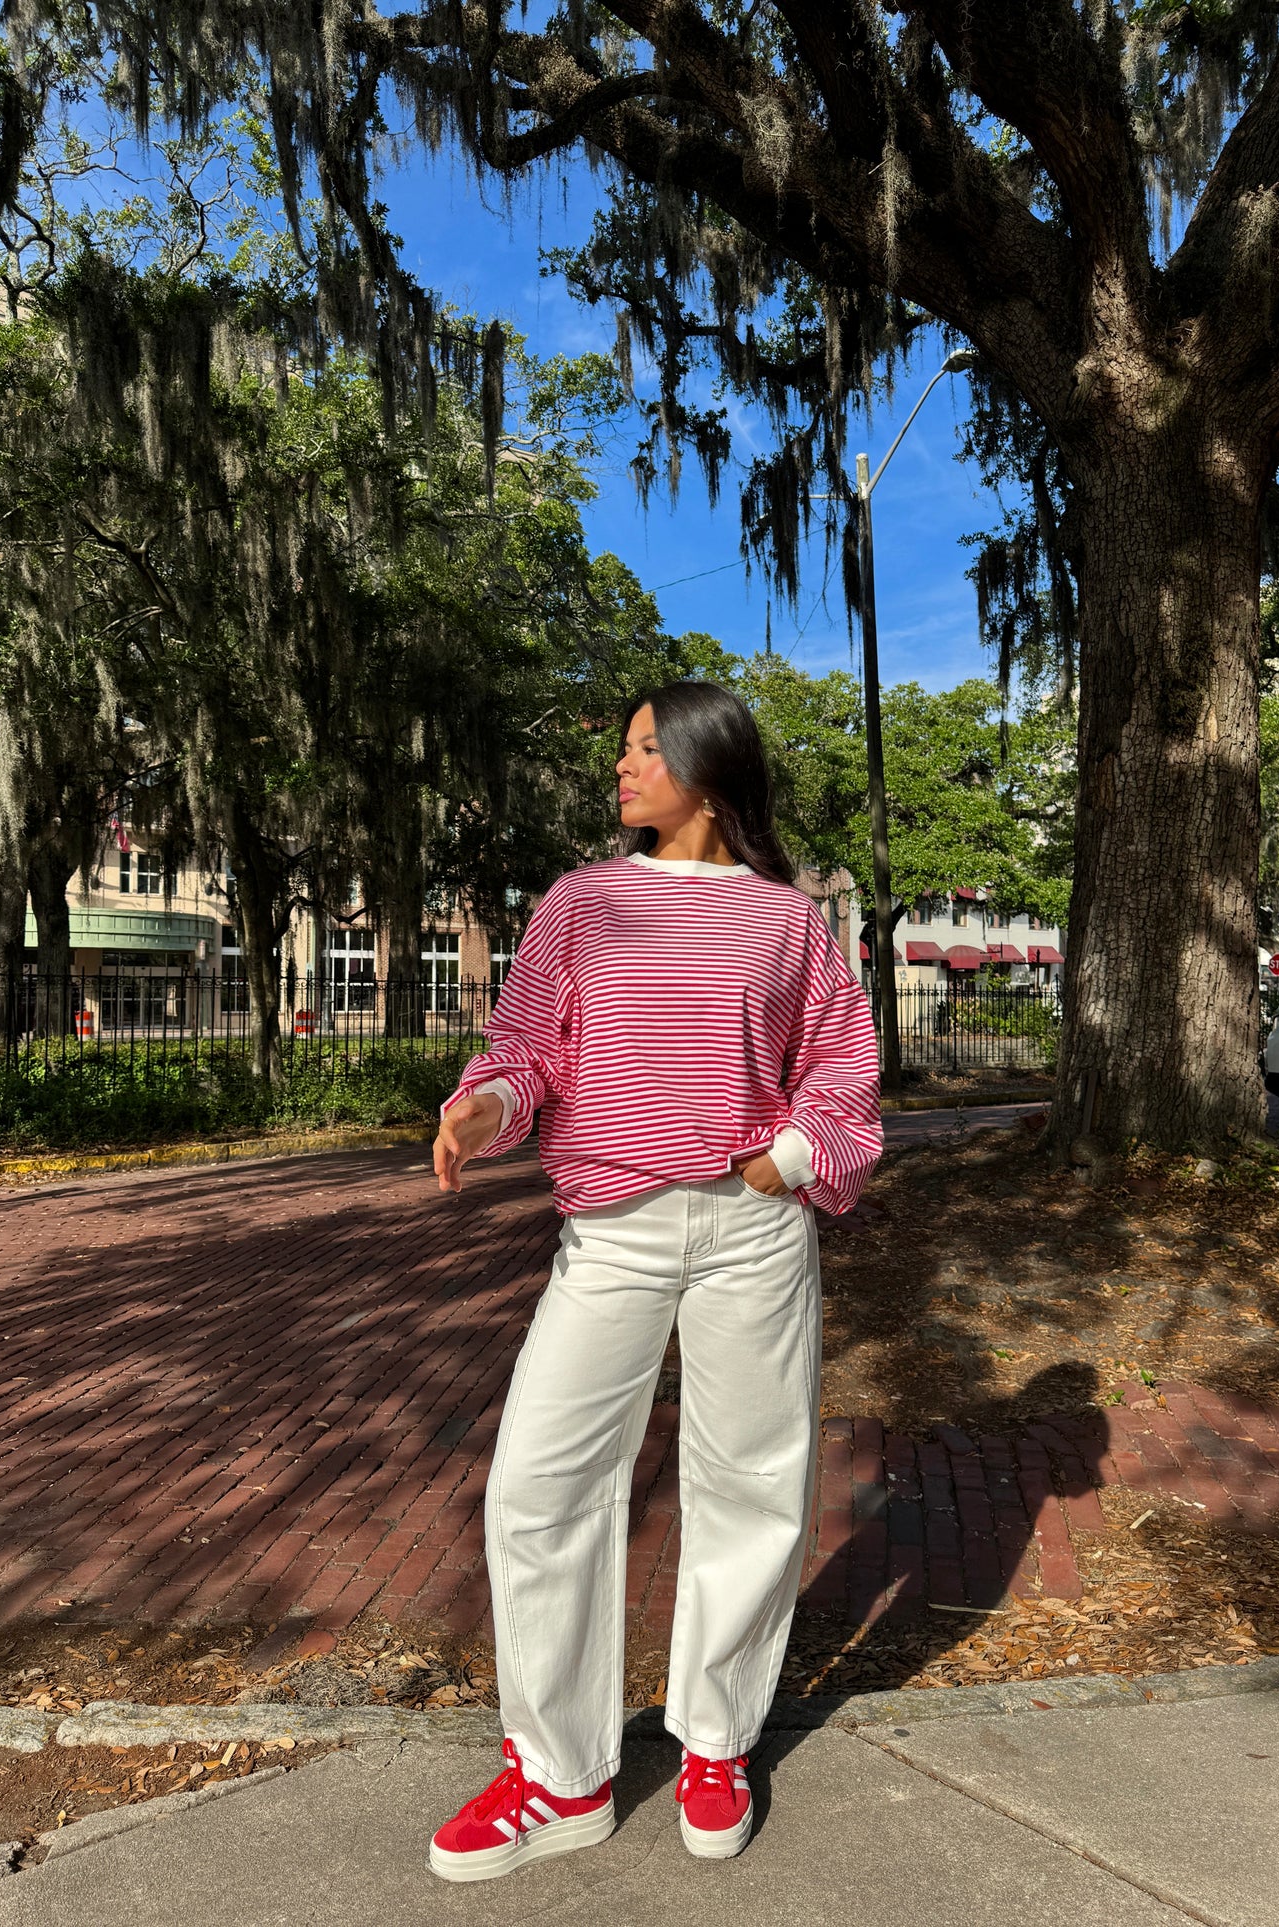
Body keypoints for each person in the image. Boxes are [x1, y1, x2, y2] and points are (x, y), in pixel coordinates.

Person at [427, 680, 882, 1883]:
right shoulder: (581, 903)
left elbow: (839, 1063)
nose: (620, 768)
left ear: (703, 762)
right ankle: (558, 1773)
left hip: (749, 1229)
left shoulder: (787, 923)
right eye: (622, 749)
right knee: (538, 1482)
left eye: (642, 748)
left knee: (751, 1484)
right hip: (612, 1232)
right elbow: (528, 1045)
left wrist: (786, 1158)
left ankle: (716, 1741)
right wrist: (483, 1108)